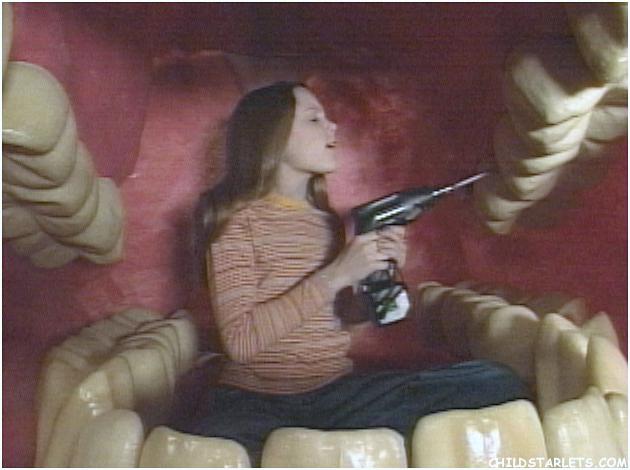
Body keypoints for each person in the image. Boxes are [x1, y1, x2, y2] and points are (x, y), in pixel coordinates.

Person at [183, 81, 530, 462]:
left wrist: (374, 279)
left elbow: (338, 321)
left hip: (335, 395)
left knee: (495, 382)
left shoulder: (325, 222)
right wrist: (336, 274)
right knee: (208, 450)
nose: (332, 127)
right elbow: (241, 341)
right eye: (314, 119)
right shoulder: (235, 222)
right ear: (272, 136)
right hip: (256, 402)